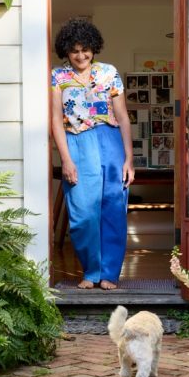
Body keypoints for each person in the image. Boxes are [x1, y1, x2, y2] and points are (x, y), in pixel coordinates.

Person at [51, 18, 135, 290]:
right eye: (74, 50)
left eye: (85, 49)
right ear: (66, 51)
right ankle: (91, 271)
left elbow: (122, 117)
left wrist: (128, 159)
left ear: (93, 48)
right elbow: (55, 120)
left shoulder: (109, 73)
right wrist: (65, 159)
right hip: (76, 142)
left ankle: (109, 274)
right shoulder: (58, 77)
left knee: (113, 208)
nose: (80, 55)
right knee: (82, 211)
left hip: (110, 141)